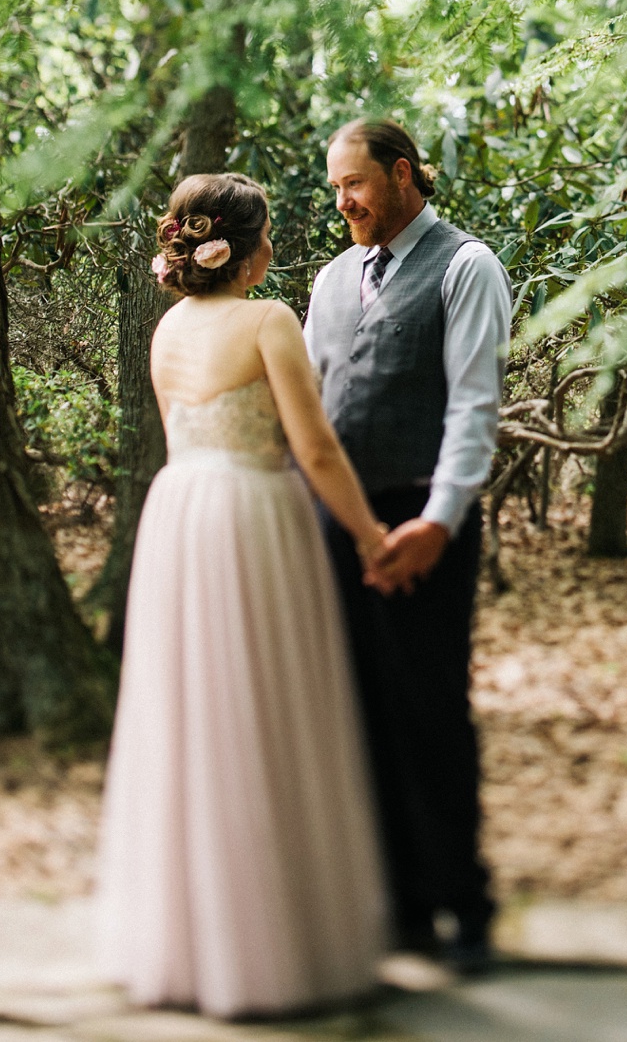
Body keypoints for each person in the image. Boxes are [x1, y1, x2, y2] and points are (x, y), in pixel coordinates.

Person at [96, 172, 395, 1018]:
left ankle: (187, 944)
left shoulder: (166, 331)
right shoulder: (269, 320)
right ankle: (269, 944)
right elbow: (318, 451)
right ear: (239, 246)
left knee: (188, 722)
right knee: (261, 718)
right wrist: (373, 539)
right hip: (252, 516)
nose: (273, 250)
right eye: (265, 235)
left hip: (181, 513)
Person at [306, 120, 513, 973]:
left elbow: (474, 404)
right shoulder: (330, 280)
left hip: (424, 520)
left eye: (355, 185)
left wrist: (439, 518)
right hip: (340, 524)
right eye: (335, 191)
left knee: (428, 708)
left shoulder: (468, 268)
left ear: (400, 175)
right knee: (357, 712)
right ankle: (399, 903)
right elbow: (317, 402)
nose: (345, 204)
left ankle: (463, 901)